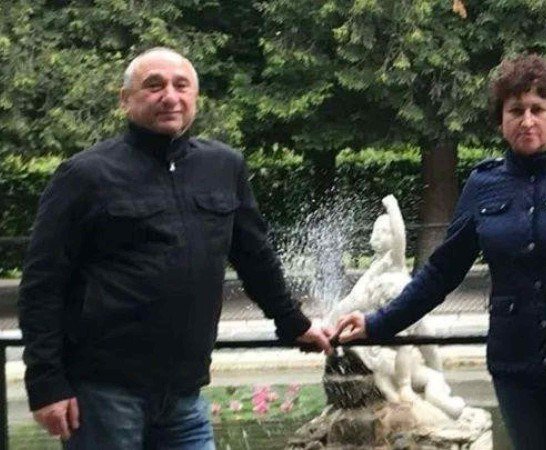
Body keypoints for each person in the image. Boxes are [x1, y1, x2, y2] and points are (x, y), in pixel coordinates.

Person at [334, 54, 546, 450]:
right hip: (518, 370)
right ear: (501, 120)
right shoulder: (483, 186)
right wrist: (377, 324)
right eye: (515, 110)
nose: (527, 121)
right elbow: (440, 274)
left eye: (538, 109)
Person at [18, 47, 333, 449]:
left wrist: (293, 323)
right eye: (154, 86)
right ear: (125, 99)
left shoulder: (223, 166)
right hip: (102, 393)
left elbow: (255, 257)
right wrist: (45, 383)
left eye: (181, 86)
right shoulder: (85, 175)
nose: (170, 96)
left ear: (195, 97)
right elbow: (42, 284)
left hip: (185, 394)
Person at [328, 195, 464, 420]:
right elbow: (355, 299)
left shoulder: (395, 260)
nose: (378, 236)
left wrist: (393, 208)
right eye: (376, 231)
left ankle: (437, 384)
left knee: (429, 345)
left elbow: (400, 235)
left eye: (385, 231)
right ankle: (408, 387)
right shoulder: (375, 269)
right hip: (389, 321)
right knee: (405, 346)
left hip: (410, 312)